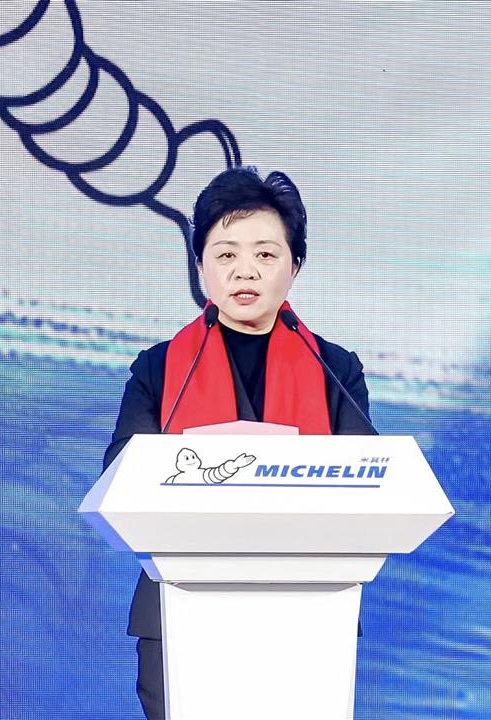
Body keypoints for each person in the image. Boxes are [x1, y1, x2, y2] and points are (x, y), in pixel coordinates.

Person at [102, 166, 376, 719]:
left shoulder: (335, 369)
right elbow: (120, 481)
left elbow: (372, 486)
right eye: (225, 253)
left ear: (294, 267)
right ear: (200, 264)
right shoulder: (159, 369)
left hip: (308, 616)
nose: (244, 270)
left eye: (266, 254)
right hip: (178, 611)